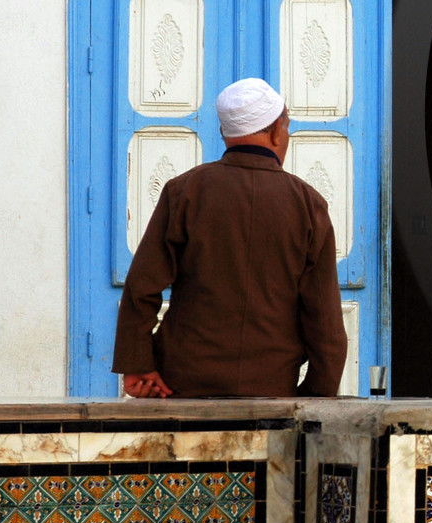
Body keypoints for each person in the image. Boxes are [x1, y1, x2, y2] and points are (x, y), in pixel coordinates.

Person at [112, 78, 347, 398]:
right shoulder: (308, 204)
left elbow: (142, 287)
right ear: (278, 130)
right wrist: (316, 395)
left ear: (225, 133)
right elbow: (325, 321)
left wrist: (138, 363)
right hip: (271, 387)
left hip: (183, 384)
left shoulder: (184, 192)